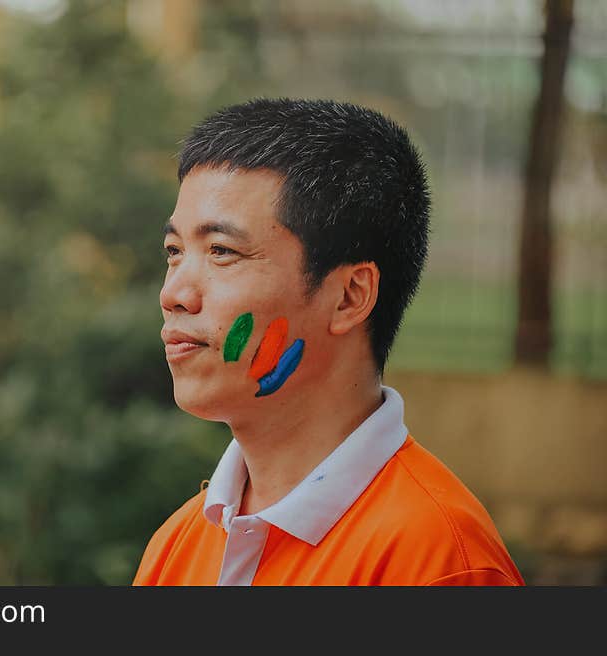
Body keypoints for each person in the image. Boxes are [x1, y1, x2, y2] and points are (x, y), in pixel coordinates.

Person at [132, 98, 524, 586]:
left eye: (221, 251)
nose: (174, 295)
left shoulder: (439, 563)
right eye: (174, 251)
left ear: (349, 297)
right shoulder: (178, 546)